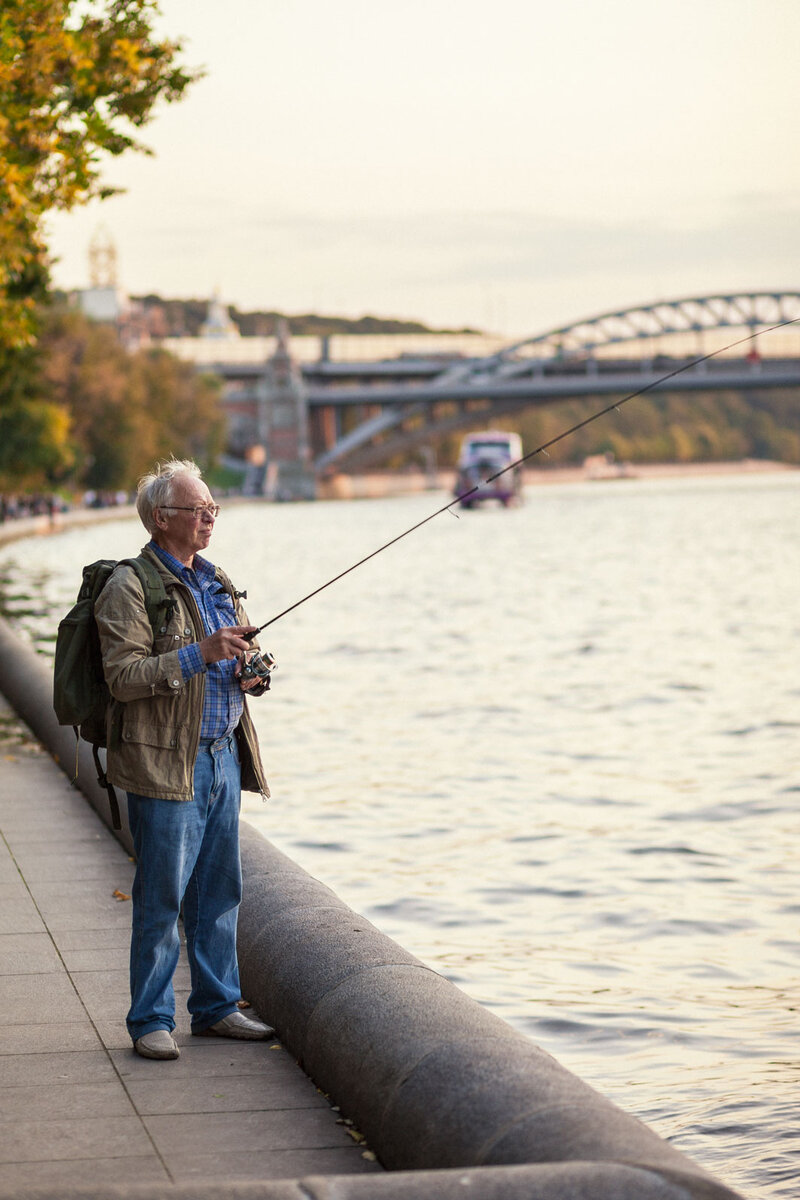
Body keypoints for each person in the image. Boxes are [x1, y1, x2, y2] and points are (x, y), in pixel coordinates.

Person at [95, 458, 273, 1060]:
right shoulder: (129, 586)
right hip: (167, 764)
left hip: (224, 756)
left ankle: (218, 1008)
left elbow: (230, 655)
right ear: (160, 518)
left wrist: (250, 672)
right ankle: (150, 1019)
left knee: (220, 893)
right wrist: (200, 653)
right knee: (161, 898)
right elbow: (123, 676)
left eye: (212, 509)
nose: (209, 518)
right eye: (199, 510)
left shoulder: (216, 578)